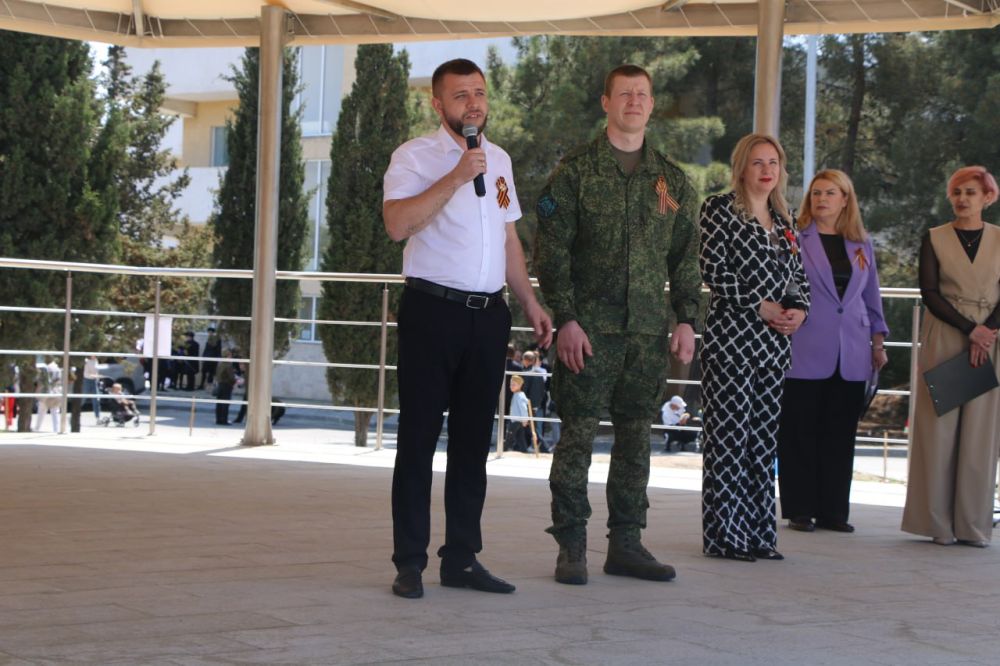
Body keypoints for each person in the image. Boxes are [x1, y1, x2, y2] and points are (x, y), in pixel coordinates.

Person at [382, 58, 552, 599]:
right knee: (418, 439)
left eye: (479, 93)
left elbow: (508, 238)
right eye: (460, 95)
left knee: (474, 443)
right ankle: (409, 562)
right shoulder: (415, 156)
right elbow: (396, 225)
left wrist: (529, 302)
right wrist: (456, 175)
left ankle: (461, 558)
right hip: (432, 311)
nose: (473, 103)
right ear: (438, 104)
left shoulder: (498, 160)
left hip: (488, 315)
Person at [534, 64, 701, 586]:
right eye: (624, 93)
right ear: (605, 102)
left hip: (647, 334)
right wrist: (566, 318)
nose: (634, 101)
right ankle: (571, 545)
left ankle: (626, 543)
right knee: (578, 438)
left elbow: (686, 258)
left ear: (652, 104)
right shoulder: (575, 172)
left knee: (636, 441)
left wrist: (687, 319)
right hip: (588, 332)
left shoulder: (671, 180)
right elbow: (552, 252)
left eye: (642, 94)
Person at [698, 134, 810, 563]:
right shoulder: (719, 209)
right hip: (732, 342)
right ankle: (725, 536)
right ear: (742, 168)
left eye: (773, 162)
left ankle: (761, 534)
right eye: (758, 162)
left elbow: (799, 277)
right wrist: (760, 304)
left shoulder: (785, 218)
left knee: (762, 444)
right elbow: (712, 270)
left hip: (774, 346)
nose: (767, 170)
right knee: (728, 441)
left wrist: (800, 311)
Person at [777, 169, 889, 534]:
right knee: (799, 431)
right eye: (816, 193)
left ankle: (834, 512)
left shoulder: (861, 244)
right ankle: (800, 509)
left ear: (845, 200)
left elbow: (871, 295)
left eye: (830, 193)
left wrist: (878, 341)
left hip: (853, 350)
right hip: (805, 346)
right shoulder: (796, 239)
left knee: (840, 434)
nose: (821, 199)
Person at [902, 166, 1000, 547]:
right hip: (945, 334)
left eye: (970, 192)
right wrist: (970, 329)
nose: (962, 199)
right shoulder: (934, 237)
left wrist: (986, 331)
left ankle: (972, 525)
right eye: (957, 192)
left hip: (989, 339)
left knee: (980, 434)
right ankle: (937, 524)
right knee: (938, 429)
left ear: (987, 198)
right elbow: (929, 291)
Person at [505, 374, 535, 453]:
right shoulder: (516, 394)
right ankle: (524, 450)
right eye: (510, 384)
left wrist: (525, 420)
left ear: (519, 385)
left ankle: (504, 449)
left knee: (509, 436)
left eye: (513, 384)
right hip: (515, 420)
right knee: (520, 437)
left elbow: (523, 408)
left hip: (517, 420)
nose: (511, 386)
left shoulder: (520, 395)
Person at [33, 357, 62, 432]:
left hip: (45, 392)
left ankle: (37, 428)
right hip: (55, 392)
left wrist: (37, 392)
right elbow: (58, 382)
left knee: (41, 411)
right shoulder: (57, 368)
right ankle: (56, 429)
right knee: (55, 412)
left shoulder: (45, 369)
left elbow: (41, 382)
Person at [214, 348, 236, 426]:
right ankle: (224, 420)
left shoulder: (220, 364)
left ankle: (218, 419)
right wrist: (235, 381)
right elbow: (231, 377)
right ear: (228, 355)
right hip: (227, 385)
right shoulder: (228, 365)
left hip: (220, 384)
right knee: (225, 403)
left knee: (219, 403)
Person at [83, 354, 102, 423]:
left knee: (96, 399)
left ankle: (98, 417)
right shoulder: (86, 361)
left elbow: (96, 371)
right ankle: (75, 414)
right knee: (83, 398)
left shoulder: (96, 361)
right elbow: (86, 373)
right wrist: (94, 376)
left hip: (94, 381)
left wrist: (98, 378)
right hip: (87, 380)